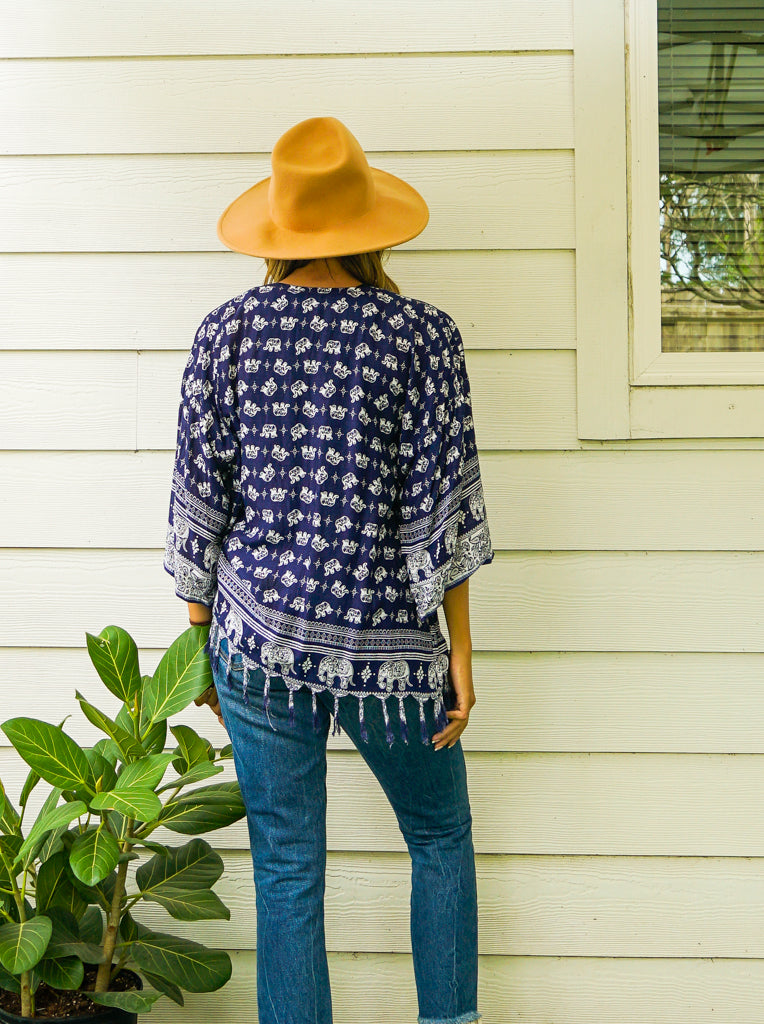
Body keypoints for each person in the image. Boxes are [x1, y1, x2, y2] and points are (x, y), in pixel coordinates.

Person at [163, 116, 494, 1024]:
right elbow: (446, 512)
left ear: (278, 230)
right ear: (372, 225)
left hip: (256, 645)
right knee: (439, 838)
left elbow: (200, 501)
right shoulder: (422, 338)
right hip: (393, 657)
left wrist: (202, 642)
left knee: (286, 866)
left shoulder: (225, 334)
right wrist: (460, 650)